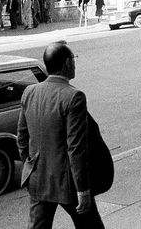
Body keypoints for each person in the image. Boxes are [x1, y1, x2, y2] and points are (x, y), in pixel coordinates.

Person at [17, 41, 105, 229]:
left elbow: (22, 139)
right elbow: (76, 147)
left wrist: (29, 165)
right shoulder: (74, 97)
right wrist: (83, 190)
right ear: (67, 63)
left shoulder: (29, 92)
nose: (75, 63)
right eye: (74, 59)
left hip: (38, 178)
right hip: (67, 182)